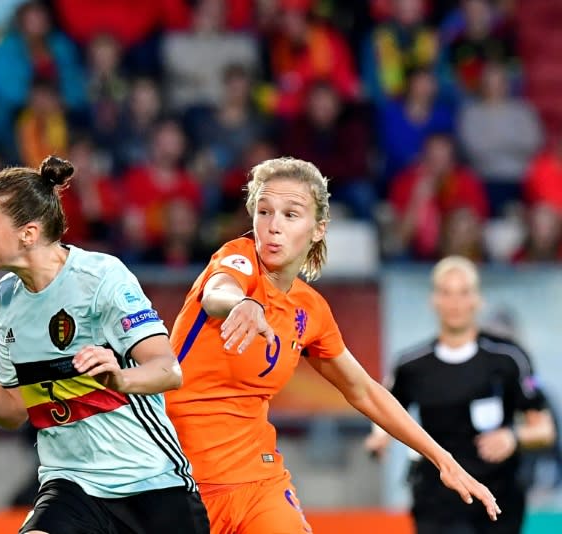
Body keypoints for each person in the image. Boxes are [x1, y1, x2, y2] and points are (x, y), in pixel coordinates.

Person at [164, 157, 501, 534]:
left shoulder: (310, 310)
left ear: (318, 229)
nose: (273, 227)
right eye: (264, 212)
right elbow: (216, 292)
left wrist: (442, 459)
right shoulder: (237, 258)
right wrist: (241, 303)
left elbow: (365, 391)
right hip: (182, 479)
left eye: (291, 215)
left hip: (258, 483)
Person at [0, 155, 209, 534]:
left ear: (28, 234)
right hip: (71, 487)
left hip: (151, 486)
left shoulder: (100, 278)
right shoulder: (6, 298)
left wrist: (120, 380)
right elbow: (16, 407)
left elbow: (168, 369)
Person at [365, 255, 556, 534]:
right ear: (434, 300)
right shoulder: (411, 365)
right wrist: (379, 437)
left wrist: (513, 437)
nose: (455, 303)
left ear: (478, 300)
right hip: (436, 498)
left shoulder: (508, 358)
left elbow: (544, 429)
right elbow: (384, 408)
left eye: (463, 292)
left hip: (497, 498)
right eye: (446, 293)